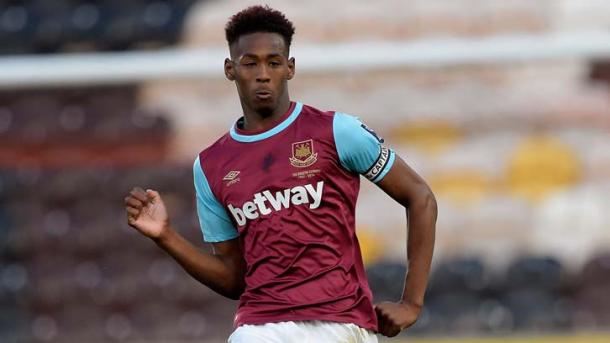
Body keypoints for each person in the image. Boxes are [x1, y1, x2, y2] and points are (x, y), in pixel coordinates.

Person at [124, 5, 437, 342]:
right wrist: (166, 236)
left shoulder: (336, 132)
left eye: (273, 62)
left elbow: (420, 197)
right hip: (261, 326)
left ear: (290, 68)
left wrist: (411, 303)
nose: (262, 73)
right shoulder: (211, 166)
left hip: (338, 324)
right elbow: (234, 278)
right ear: (230, 69)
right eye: (250, 63)